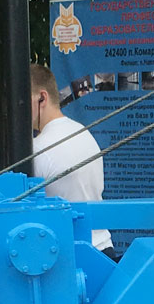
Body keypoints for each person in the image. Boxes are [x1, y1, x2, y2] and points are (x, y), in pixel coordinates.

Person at [29, 63, 111, 252]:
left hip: (71, 255)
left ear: (42, 98)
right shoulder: (82, 132)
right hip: (103, 248)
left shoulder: (37, 148)